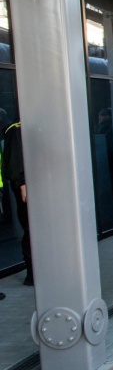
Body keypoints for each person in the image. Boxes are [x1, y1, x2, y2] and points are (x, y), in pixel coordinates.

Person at [2, 120, 32, 286]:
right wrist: (22, 183)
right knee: (31, 230)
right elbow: (14, 163)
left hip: (42, 186)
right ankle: (33, 274)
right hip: (28, 187)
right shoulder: (17, 130)